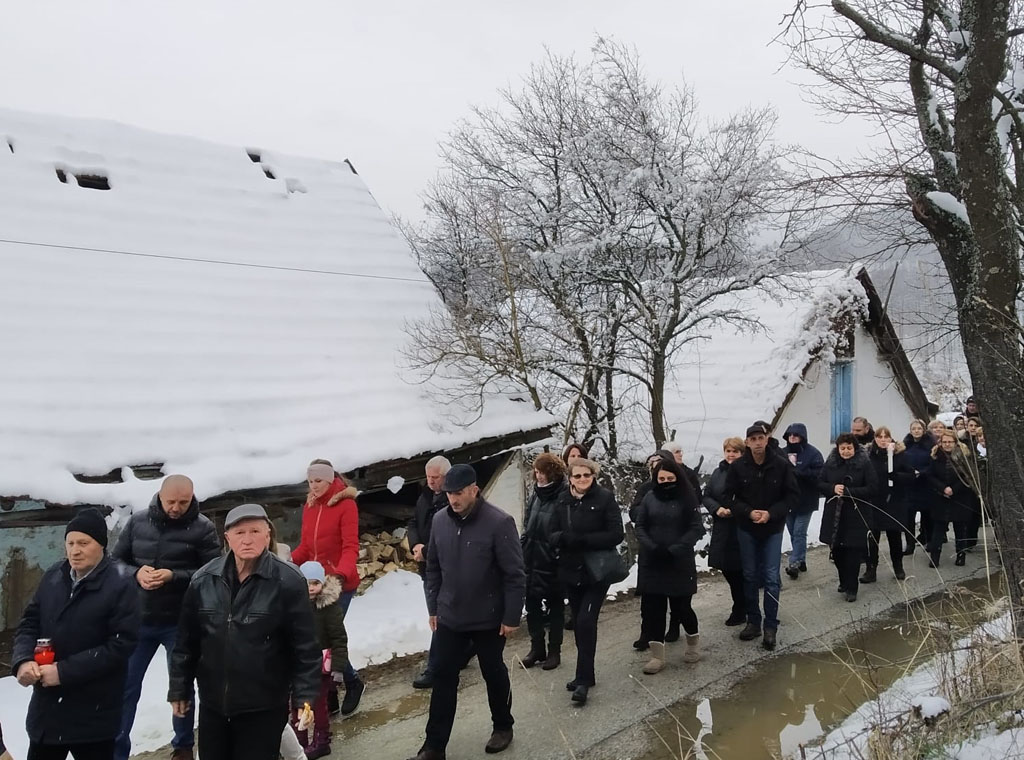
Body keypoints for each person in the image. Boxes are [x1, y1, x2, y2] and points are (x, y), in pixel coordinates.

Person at [168, 504, 321, 760]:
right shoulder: (204, 580)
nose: (247, 540)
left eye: (255, 531)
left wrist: (304, 696)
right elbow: (186, 642)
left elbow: (305, 647)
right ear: (227, 538)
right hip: (214, 705)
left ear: (268, 535)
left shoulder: (288, 581)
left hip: (264, 706)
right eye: (239, 533)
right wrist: (179, 688)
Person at [407, 464, 526, 760]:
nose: (453, 499)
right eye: (449, 493)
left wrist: (511, 616)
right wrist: (434, 607)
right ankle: (434, 746)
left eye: (459, 493)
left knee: (493, 671)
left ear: (474, 489)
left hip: (488, 616)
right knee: (442, 676)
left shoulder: (499, 522)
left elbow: (514, 574)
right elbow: (433, 567)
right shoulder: (440, 521)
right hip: (450, 615)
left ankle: (503, 726)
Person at [12, 508, 140, 760]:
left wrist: (63, 672)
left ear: (101, 545)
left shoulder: (121, 584)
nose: (75, 551)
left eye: (83, 543)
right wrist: (23, 660)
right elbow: (29, 622)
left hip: (94, 714)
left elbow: (121, 645)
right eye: (70, 543)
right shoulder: (54, 576)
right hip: (48, 713)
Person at [111, 475, 220, 760]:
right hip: (138, 620)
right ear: (160, 496)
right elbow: (114, 562)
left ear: (192, 498)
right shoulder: (137, 522)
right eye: (171, 501)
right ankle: (116, 751)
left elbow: (214, 572)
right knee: (125, 687)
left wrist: (175, 576)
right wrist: (136, 573)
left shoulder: (203, 528)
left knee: (181, 687)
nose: (176, 508)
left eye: (183, 502)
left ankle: (183, 746)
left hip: (180, 621)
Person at [291, 460, 364, 715]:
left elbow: (350, 547)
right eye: (310, 481)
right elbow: (305, 547)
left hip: (338, 583)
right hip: (314, 582)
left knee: (329, 638)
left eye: (318, 481)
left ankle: (352, 682)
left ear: (331, 480)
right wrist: (287, 563)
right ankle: (330, 692)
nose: (313, 486)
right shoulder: (310, 506)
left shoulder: (346, 505)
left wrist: (340, 574)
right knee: (318, 638)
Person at [554, 457, 625, 705]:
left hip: (597, 571)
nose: (582, 479)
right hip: (571, 570)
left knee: (586, 621)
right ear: (570, 478)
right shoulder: (563, 499)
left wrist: (585, 540)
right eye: (577, 476)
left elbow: (616, 534)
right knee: (578, 621)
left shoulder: (604, 498)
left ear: (593, 476)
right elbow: (550, 530)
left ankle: (583, 679)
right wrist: (562, 539)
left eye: (587, 475)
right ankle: (586, 674)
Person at [724, 422, 799, 650]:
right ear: (747, 442)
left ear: (767, 440)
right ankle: (753, 622)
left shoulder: (781, 464)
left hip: (772, 528)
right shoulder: (738, 467)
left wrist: (771, 513)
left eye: (761, 438)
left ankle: (770, 626)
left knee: (771, 577)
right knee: (749, 575)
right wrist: (747, 512)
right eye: (753, 439)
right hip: (747, 528)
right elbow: (728, 497)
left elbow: (792, 496)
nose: (757, 443)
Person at [634, 458, 705, 673]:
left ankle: (692, 645)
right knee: (654, 610)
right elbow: (640, 526)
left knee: (682, 608)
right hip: (653, 560)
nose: (665, 482)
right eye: (661, 478)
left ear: (677, 478)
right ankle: (657, 656)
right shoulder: (649, 497)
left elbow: (696, 528)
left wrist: (676, 548)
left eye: (670, 478)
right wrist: (653, 547)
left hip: (679, 561)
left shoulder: (687, 498)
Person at [295, 562, 350, 760]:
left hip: (321, 665)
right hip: (299, 664)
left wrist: (338, 668)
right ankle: (298, 741)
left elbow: (339, 638)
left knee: (318, 705)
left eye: (315, 583)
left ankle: (322, 740)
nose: (311, 588)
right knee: (296, 704)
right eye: (307, 583)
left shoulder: (329, 608)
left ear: (323, 583)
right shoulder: (296, 605)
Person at [521, 452, 569, 670]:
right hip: (531, 558)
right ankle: (536, 648)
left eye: (542, 472)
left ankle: (554, 651)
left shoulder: (563, 495)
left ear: (553, 473)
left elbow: (566, 529)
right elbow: (527, 523)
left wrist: (557, 553)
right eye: (536, 472)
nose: (538, 476)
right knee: (531, 606)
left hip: (552, 561)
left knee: (555, 608)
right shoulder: (536, 494)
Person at [408, 456, 453, 689]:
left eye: (436, 477)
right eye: (428, 477)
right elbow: (413, 522)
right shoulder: (425, 496)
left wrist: (427, 551)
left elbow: (449, 535)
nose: (431, 481)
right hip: (426, 566)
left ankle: (435, 668)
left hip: (445, 567)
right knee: (437, 614)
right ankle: (460, 651)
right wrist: (416, 545)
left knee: (439, 617)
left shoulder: (452, 499)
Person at [818, 433, 878, 602]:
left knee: (853, 552)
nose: (845, 451)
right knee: (837, 551)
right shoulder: (830, 463)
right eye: (842, 448)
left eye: (849, 448)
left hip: (856, 513)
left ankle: (852, 587)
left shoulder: (864, 464)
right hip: (835, 514)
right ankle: (844, 580)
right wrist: (832, 488)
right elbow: (819, 483)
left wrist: (849, 492)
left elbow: (873, 488)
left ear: (855, 448)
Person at [629, 450, 675, 651]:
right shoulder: (646, 488)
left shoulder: (681, 488)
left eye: (659, 461)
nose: (655, 465)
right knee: (649, 595)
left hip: (672, 548)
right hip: (649, 547)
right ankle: (646, 632)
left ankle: (674, 626)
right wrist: (651, 510)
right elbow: (634, 511)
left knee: (675, 593)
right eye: (652, 462)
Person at [862, 427, 916, 582]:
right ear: (875, 438)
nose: (883, 440)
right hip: (874, 500)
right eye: (880, 437)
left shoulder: (900, 455)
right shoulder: (868, 456)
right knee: (872, 537)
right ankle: (871, 569)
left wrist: (896, 476)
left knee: (894, 536)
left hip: (894, 500)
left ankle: (898, 567)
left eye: (886, 437)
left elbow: (911, 475)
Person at [702, 438, 747, 627]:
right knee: (727, 569)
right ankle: (741, 605)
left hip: (741, 526)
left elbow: (752, 497)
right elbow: (707, 496)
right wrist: (717, 509)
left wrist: (735, 510)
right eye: (728, 451)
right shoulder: (718, 472)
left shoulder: (748, 471)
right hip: (722, 527)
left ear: (742, 453)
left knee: (740, 571)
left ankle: (741, 609)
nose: (731, 455)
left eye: (735, 451)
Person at [926, 431, 981, 568]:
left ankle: (961, 555)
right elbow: (930, 476)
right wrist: (943, 488)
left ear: (955, 443)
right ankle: (935, 556)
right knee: (938, 528)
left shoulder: (964, 457)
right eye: (944, 442)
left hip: (960, 496)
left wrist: (953, 489)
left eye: (950, 442)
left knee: (960, 528)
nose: (947, 444)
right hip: (940, 496)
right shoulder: (935, 456)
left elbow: (968, 476)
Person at [781, 423, 824, 579]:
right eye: (790, 435)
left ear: (802, 437)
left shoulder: (813, 453)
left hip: (806, 500)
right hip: (787, 500)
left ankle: (794, 563)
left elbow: (820, 474)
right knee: (793, 532)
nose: (792, 437)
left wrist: (801, 473)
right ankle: (801, 560)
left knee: (799, 532)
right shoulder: (781, 453)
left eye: (796, 435)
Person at [902, 420, 935, 556]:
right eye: (914, 429)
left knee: (927, 516)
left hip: (925, 484)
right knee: (908, 517)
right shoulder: (905, 445)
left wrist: (922, 472)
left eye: (919, 428)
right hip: (910, 485)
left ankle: (929, 541)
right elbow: (901, 462)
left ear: (924, 430)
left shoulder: (930, 444)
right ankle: (910, 544)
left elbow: (933, 463)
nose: (916, 431)